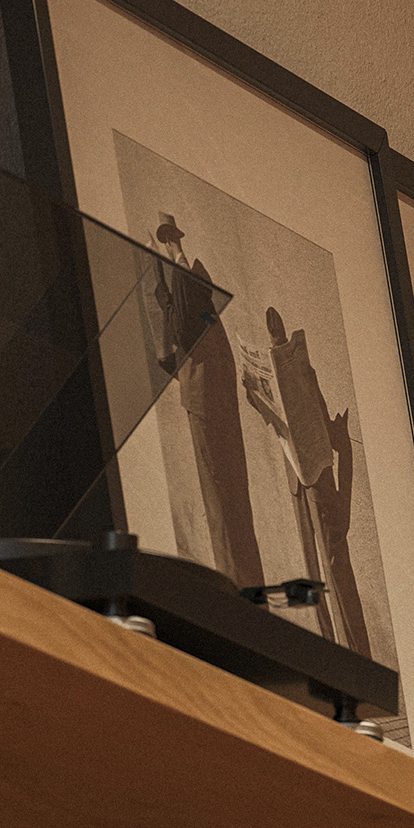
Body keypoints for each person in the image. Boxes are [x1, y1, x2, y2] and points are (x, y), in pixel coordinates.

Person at [240, 306, 370, 654]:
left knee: (336, 569)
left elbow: (321, 414)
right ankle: (329, 648)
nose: (275, 335)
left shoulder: (301, 369)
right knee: (313, 574)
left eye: (278, 333)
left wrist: (336, 436)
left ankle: (357, 653)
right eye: (272, 334)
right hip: (297, 482)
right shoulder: (278, 370)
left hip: (317, 476)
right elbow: (275, 419)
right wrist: (254, 394)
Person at [154, 213, 264, 589]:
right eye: (169, 239)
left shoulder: (186, 280)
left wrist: (168, 287)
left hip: (208, 398)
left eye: (170, 239)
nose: (171, 244)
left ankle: (239, 586)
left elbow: (180, 338)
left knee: (224, 499)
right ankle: (243, 585)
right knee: (229, 500)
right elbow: (183, 338)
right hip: (211, 397)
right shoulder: (189, 281)